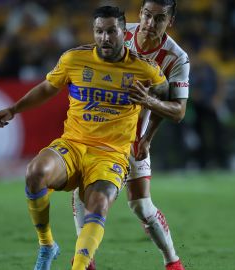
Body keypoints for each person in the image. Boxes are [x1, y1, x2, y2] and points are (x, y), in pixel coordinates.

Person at [0, 6, 168, 270]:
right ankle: (47, 245)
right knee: (35, 172)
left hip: (110, 154)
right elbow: (48, 87)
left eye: (111, 32)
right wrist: (14, 109)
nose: (105, 38)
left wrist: (147, 133)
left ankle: (79, 266)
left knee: (100, 202)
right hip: (72, 145)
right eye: (99, 31)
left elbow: (163, 96)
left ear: (123, 33)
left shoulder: (145, 70)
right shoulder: (74, 59)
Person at [72, 1, 189, 270]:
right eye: (147, 15)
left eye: (159, 18)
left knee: (141, 206)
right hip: (98, 132)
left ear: (170, 21)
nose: (150, 23)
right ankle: (85, 260)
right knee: (83, 192)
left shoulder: (176, 58)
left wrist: (147, 134)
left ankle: (172, 262)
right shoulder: (118, 32)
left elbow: (177, 109)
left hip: (133, 138)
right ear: (140, 14)